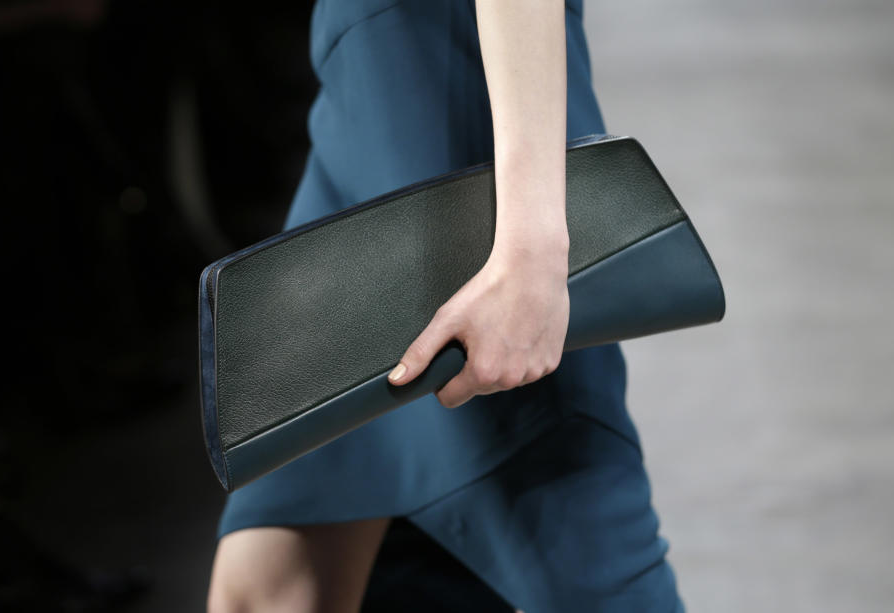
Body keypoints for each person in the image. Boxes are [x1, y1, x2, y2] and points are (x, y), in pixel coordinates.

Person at [207, 1, 684, 611]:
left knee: (579, 544)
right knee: (270, 583)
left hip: (444, 117)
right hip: (364, 105)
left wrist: (529, 254)